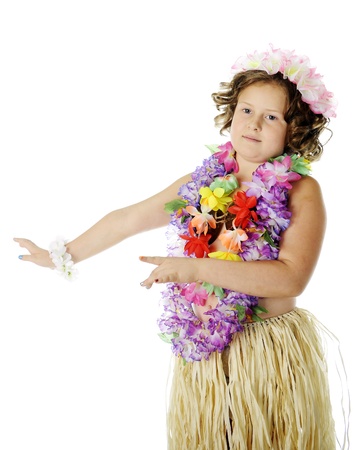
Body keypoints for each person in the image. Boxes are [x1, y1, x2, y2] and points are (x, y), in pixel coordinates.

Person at [14, 45, 348, 449]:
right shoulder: (202, 181)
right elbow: (129, 218)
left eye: (271, 117)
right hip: (207, 352)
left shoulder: (301, 190)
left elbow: (290, 277)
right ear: (230, 112)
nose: (254, 124)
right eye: (246, 110)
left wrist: (196, 269)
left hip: (266, 353)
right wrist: (61, 255)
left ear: (294, 129)